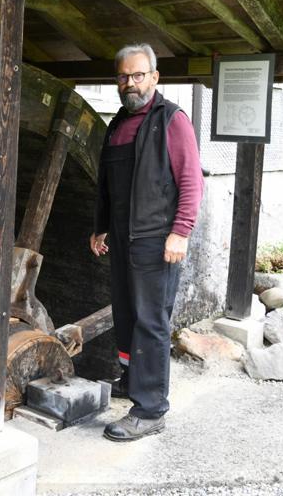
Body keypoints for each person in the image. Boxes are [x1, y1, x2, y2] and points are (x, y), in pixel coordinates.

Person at [90, 44, 203, 441]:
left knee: (151, 320)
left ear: (154, 77)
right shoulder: (118, 123)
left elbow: (192, 181)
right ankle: (131, 379)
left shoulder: (171, 120)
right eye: (123, 76)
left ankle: (151, 409)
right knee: (125, 313)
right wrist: (101, 227)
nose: (130, 83)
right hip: (123, 237)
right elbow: (109, 184)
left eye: (138, 75)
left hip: (156, 239)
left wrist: (181, 232)